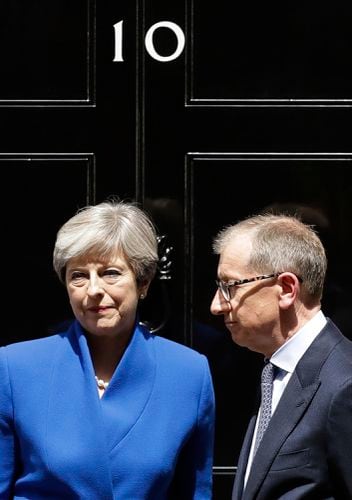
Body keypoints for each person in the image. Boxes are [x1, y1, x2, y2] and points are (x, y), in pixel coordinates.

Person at [0, 200, 215, 499]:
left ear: (143, 281)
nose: (93, 290)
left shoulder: (189, 373)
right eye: (78, 276)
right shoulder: (15, 368)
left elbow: (195, 492)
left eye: (110, 272)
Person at [210, 213, 352, 499]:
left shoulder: (344, 385)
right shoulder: (272, 371)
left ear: (287, 289)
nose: (216, 305)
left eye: (230, 287)